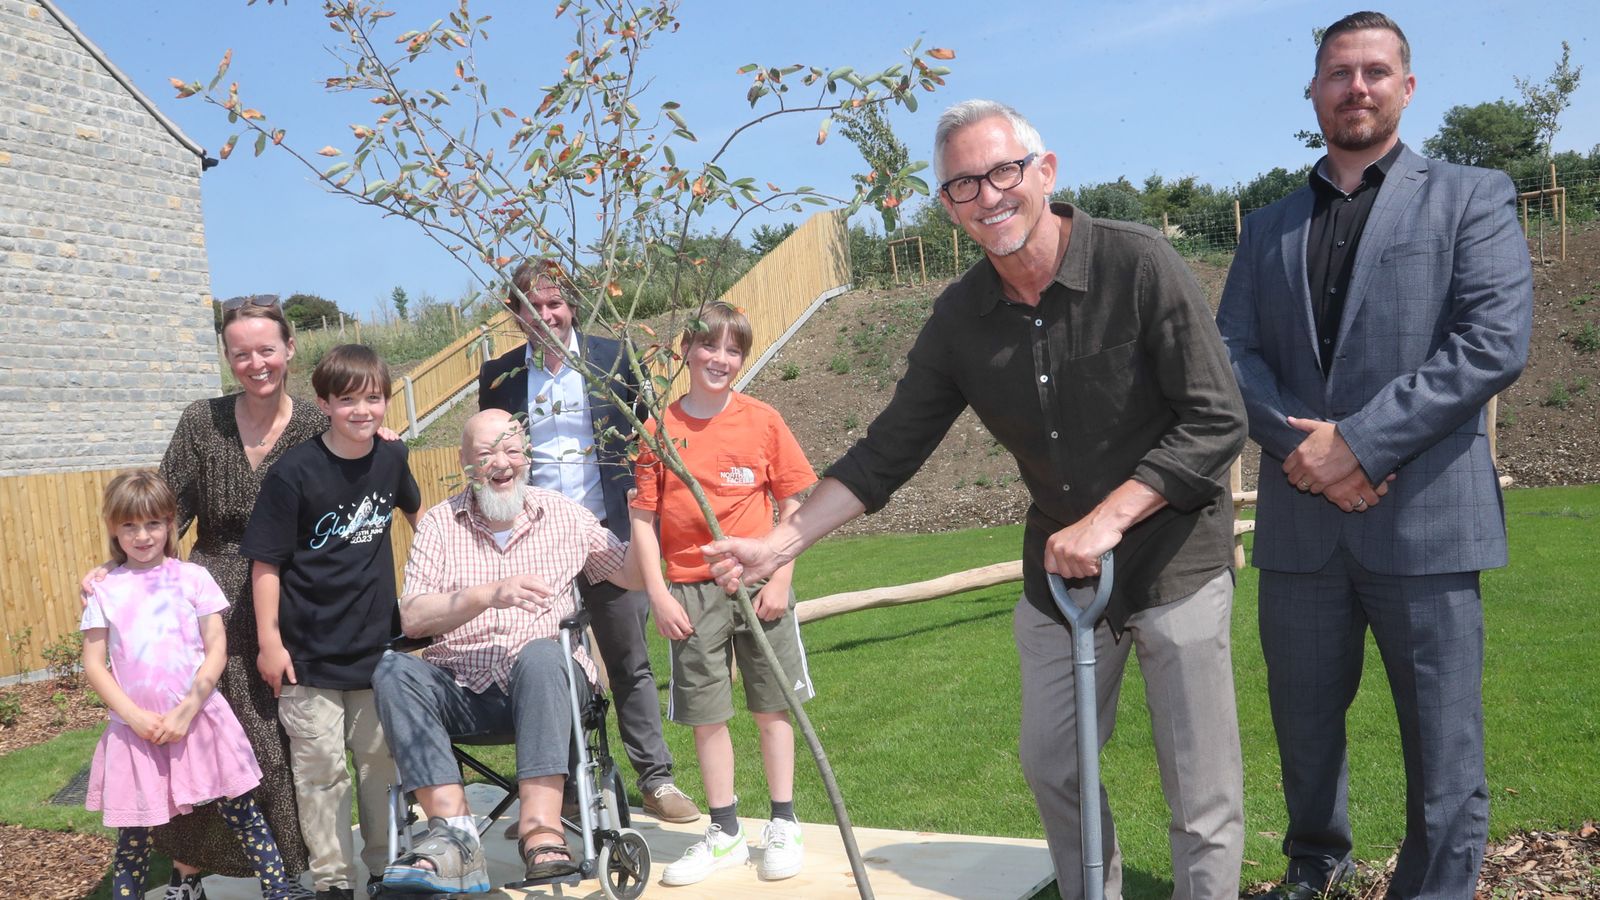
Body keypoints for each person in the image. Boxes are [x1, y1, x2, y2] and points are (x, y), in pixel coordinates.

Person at [704, 100, 1249, 899]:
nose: (988, 196)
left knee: (1200, 794)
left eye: (1003, 172)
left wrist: (1106, 520)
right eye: (963, 185)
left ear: (1045, 172)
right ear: (948, 206)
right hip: (1060, 581)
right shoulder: (961, 317)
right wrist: (780, 543)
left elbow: (1218, 418)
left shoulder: (1138, 265)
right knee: (1055, 766)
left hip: (1176, 561)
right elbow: (888, 450)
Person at [1215, 12, 1533, 900]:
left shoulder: (1473, 193)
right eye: (1338, 73)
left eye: (1375, 72)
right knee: (1304, 728)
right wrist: (1306, 450)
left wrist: (1357, 443)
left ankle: (1433, 888)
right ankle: (1315, 864)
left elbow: (1491, 344)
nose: (1357, 87)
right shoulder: (1267, 224)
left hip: (1427, 522)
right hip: (1301, 531)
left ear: (1407, 85)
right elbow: (1230, 355)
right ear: (1313, 90)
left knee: (1443, 743)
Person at [80, 297, 318, 899]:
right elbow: (163, 512)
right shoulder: (200, 420)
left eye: (267, 349)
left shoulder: (318, 423)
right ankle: (189, 870)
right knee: (203, 741)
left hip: (290, 596)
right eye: (241, 353)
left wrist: (382, 435)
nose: (255, 363)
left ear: (289, 349)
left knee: (277, 737)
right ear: (227, 358)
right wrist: (113, 569)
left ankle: (289, 866)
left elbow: (355, 468)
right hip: (207, 595)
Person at [371, 409, 646, 893]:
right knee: (393, 670)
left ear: (528, 457)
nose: (501, 462)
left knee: (541, 655)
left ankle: (542, 830)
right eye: (486, 453)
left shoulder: (563, 514)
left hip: (550, 688)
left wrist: (644, 517)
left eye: (512, 449)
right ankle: (453, 838)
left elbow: (631, 574)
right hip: (461, 688)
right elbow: (412, 617)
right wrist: (489, 594)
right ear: (465, 464)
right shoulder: (438, 524)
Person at [479, 260, 699, 827]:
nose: (546, 315)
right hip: (538, 546)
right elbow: (493, 456)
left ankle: (656, 779)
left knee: (629, 660)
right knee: (548, 666)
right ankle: (571, 786)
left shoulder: (614, 358)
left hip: (609, 534)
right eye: (533, 306)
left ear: (571, 305)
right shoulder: (499, 376)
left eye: (555, 303)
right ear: (517, 314)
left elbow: (652, 436)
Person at [629, 302, 818, 886]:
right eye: (710, 347)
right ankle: (725, 831)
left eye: (734, 351)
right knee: (707, 717)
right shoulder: (659, 430)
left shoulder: (762, 419)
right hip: (689, 590)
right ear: (686, 350)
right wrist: (659, 595)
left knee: (771, 705)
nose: (721, 359)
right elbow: (642, 519)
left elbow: (793, 504)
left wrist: (781, 577)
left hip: (759, 585)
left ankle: (783, 823)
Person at [240, 345, 422, 900]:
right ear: (323, 402)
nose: (362, 410)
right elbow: (265, 563)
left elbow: (422, 519)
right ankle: (333, 882)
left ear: (387, 401)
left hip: (378, 653)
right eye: (347, 400)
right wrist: (270, 643)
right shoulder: (293, 473)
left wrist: (433, 588)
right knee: (321, 775)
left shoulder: (393, 459)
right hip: (308, 655)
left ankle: (386, 868)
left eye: (374, 398)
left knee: (379, 767)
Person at [82, 470, 299, 900]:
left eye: (153, 524)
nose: (142, 535)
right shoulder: (104, 592)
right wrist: (135, 717)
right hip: (134, 734)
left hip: (201, 723)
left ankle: (280, 892)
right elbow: (94, 664)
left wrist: (186, 711)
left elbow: (216, 648)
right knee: (135, 837)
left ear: (170, 523)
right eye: (130, 525)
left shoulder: (193, 578)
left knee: (244, 815)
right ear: (113, 528)